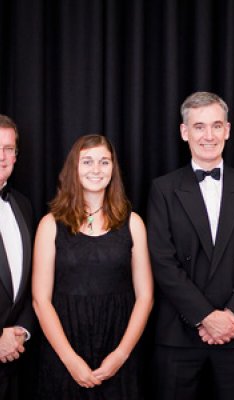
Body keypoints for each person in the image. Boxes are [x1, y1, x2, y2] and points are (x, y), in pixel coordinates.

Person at [146, 91, 234, 400]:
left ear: (227, 130)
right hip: (179, 332)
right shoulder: (162, 188)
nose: (209, 135)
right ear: (184, 132)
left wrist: (230, 317)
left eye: (216, 126)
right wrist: (205, 316)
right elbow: (162, 261)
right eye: (199, 127)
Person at [32, 134, 153, 399]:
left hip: (119, 346)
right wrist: (70, 359)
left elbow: (145, 296)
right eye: (87, 161)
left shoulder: (133, 223)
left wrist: (121, 355)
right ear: (73, 168)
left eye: (104, 162)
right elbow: (41, 300)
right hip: (64, 346)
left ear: (113, 169)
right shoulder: (50, 224)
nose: (96, 169)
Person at [0, 115, 34, 400]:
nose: (2, 157)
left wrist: (21, 330)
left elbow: (30, 279)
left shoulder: (23, 204)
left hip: (16, 360)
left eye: (8, 148)